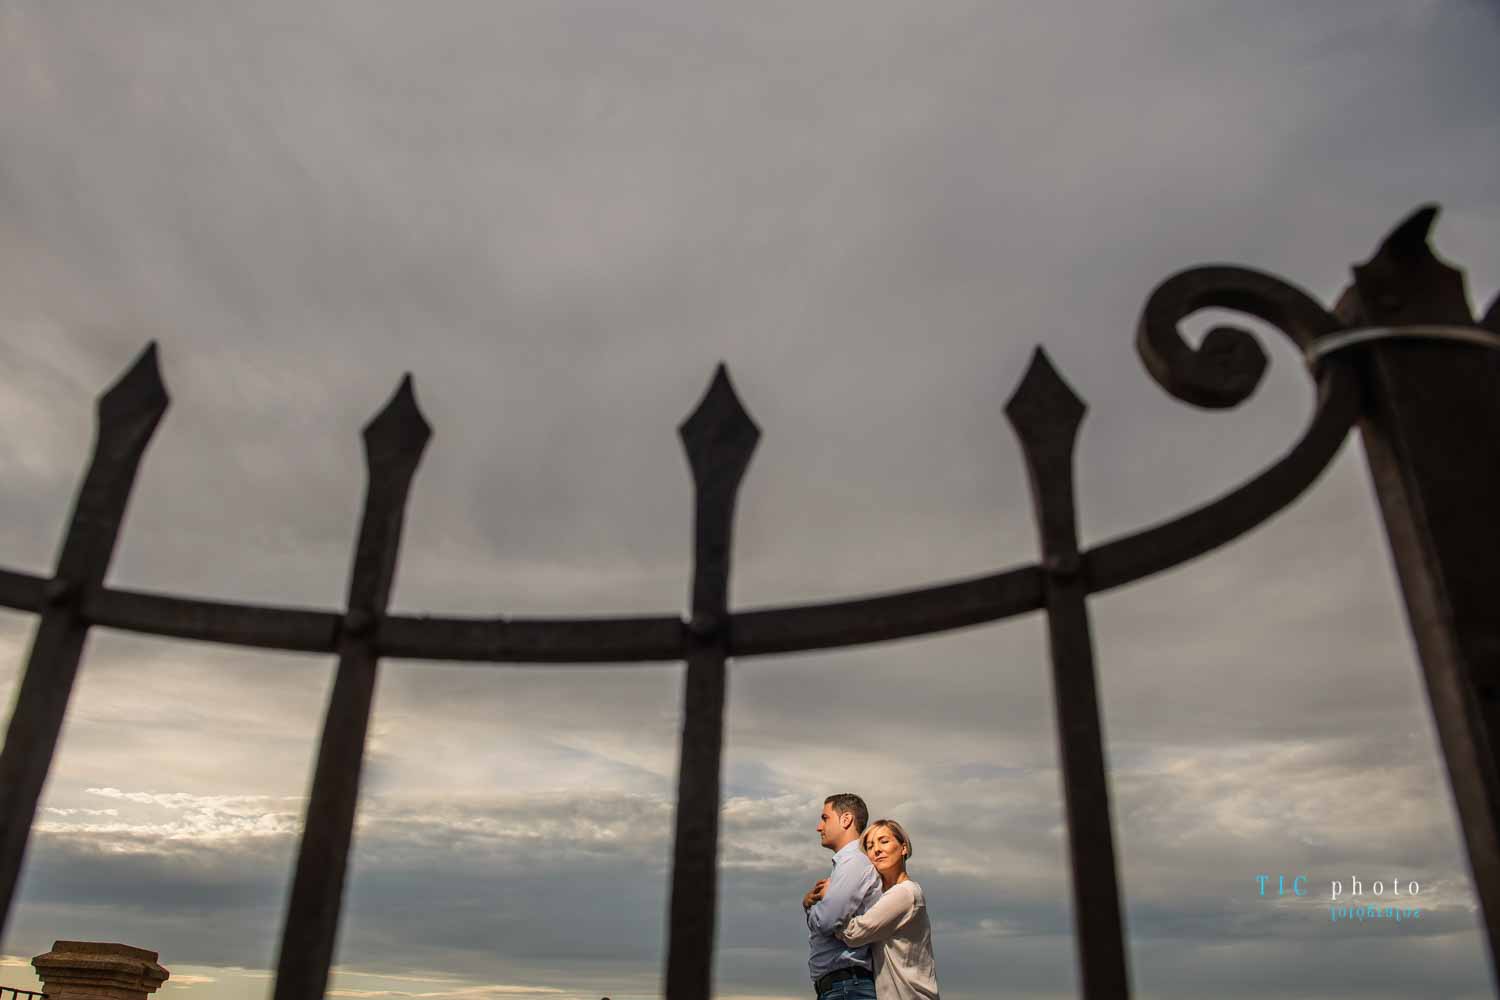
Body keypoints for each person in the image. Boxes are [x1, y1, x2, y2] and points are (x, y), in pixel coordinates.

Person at [835, 819, 939, 1000]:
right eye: (869, 846)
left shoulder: (905, 893)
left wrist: (831, 902)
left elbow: (853, 933)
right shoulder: (884, 897)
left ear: (903, 848)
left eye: (884, 841)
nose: (876, 850)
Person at [802, 793, 882, 999]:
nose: (819, 827)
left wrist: (810, 907)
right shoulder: (848, 864)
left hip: (847, 988)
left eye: (825, 818)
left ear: (846, 819)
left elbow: (828, 922)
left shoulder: (854, 862)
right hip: (842, 987)